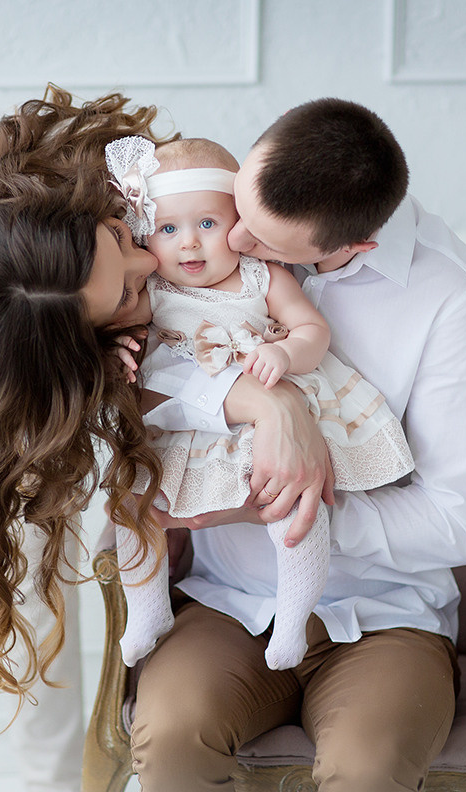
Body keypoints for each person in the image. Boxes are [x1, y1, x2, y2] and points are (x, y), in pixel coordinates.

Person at [0, 86, 320, 792]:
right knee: (34, 574)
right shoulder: (26, 353)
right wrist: (118, 375)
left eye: (121, 241)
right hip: (5, 386)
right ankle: (55, 780)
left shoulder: (93, 193)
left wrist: (273, 401)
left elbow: (199, 275)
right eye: (124, 296)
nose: (153, 265)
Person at [128, 99, 466, 792]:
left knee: (366, 770)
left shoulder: (455, 298)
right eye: (237, 206)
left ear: (353, 247)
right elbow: (141, 383)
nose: (233, 242)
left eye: (266, 245)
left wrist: (276, 507)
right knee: (173, 739)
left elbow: (460, 520)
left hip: (383, 615)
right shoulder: (210, 235)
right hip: (228, 600)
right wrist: (267, 405)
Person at [103, 135, 413, 672]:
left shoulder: (262, 276)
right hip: (191, 431)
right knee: (132, 501)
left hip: (267, 406)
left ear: (239, 225)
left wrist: (288, 353)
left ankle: (294, 617)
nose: (189, 246)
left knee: (290, 496)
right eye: (168, 229)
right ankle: (147, 609)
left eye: (207, 224)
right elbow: (113, 324)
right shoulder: (153, 289)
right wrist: (115, 347)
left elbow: (312, 328)